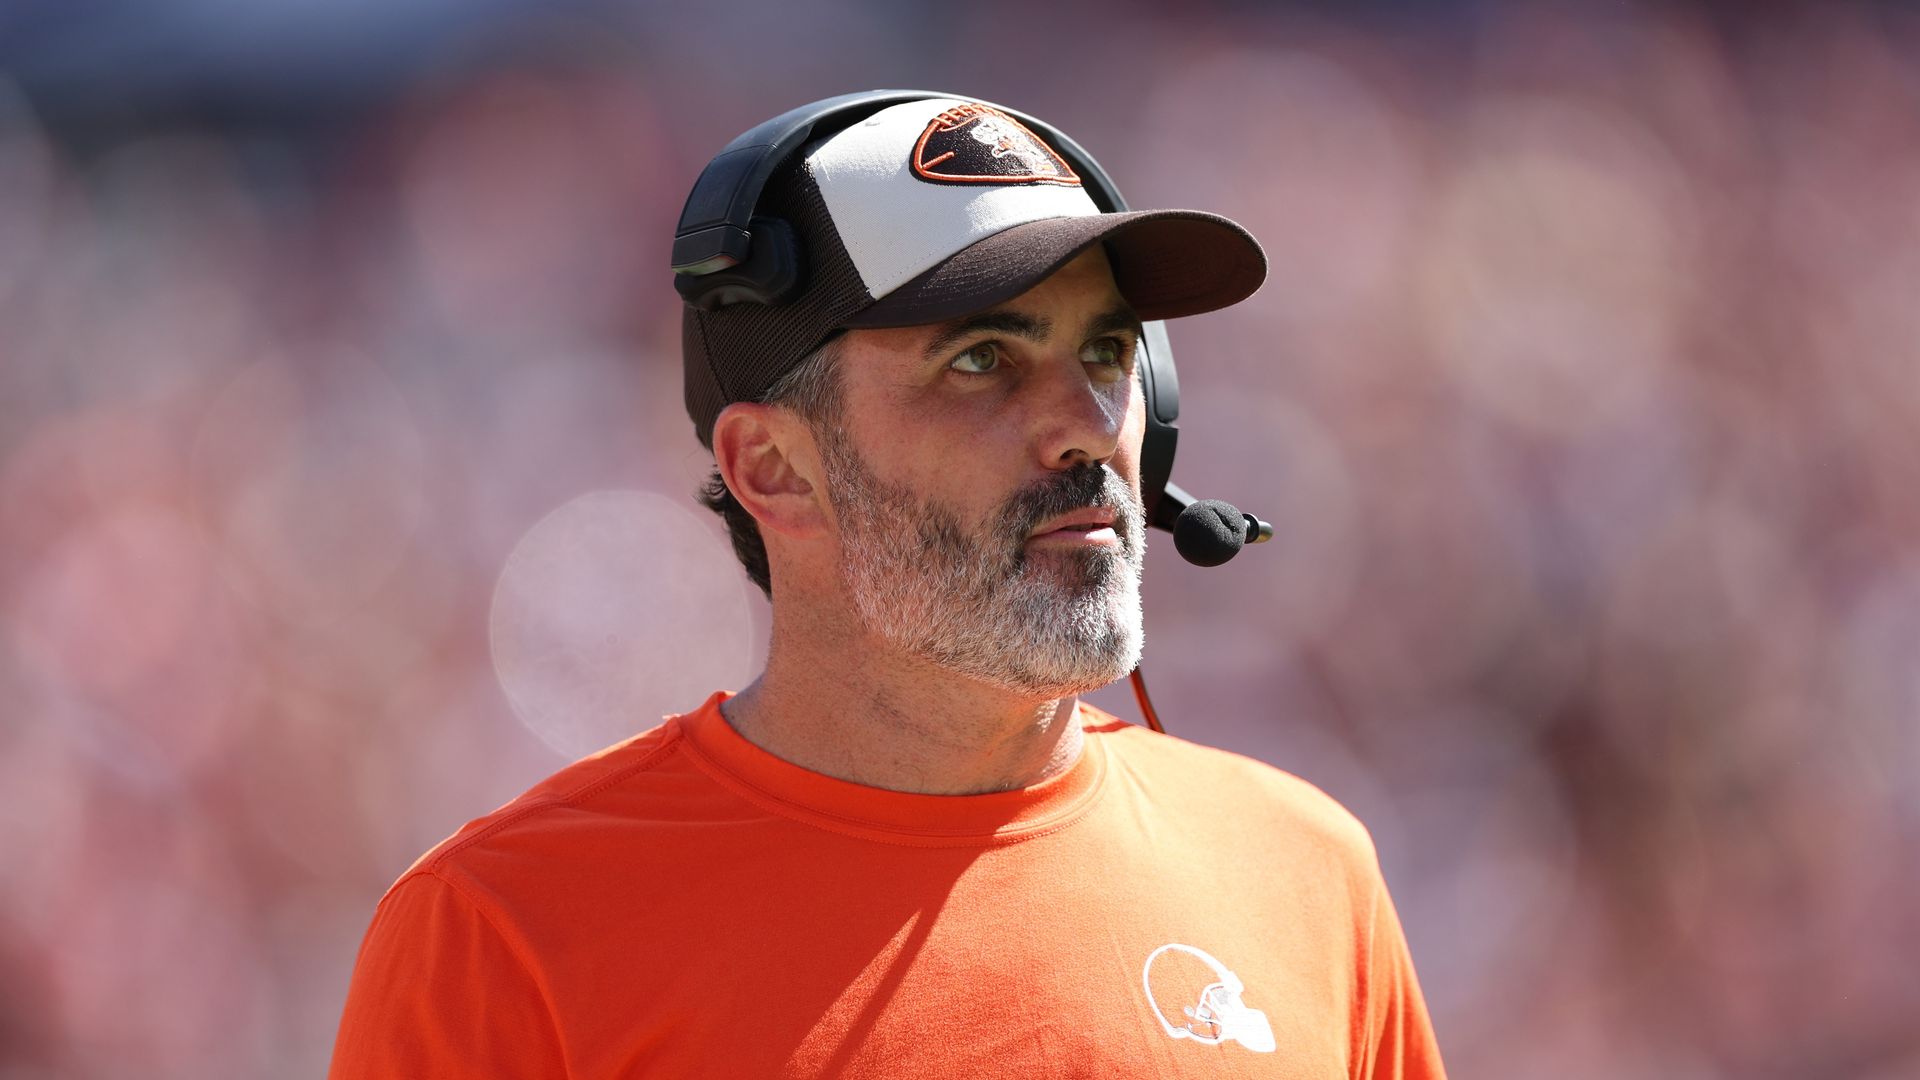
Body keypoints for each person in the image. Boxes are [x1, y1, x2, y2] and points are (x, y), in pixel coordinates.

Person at [329, 93, 1447, 1078]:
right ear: (773, 468)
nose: (1085, 429)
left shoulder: (1306, 872)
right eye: (981, 361)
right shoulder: (504, 934)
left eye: (1106, 353)